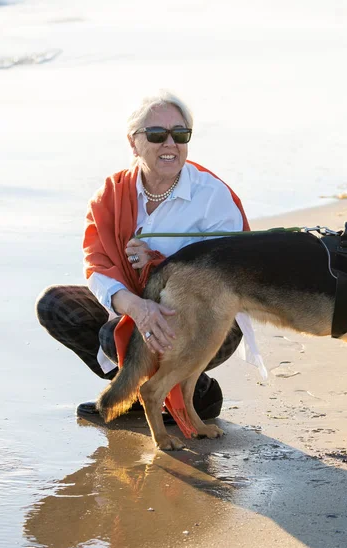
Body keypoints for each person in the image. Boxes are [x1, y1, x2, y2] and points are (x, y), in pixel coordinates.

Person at [36, 90, 250, 423]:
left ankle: (193, 396)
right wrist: (137, 307)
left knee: (118, 335)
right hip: (137, 309)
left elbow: (228, 277)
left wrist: (158, 265)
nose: (170, 143)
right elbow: (97, 265)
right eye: (156, 134)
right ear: (133, 143)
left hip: (208, 321)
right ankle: (141, 395)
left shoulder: (212, 196)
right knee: (55, 305)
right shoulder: (112, 194)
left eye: (180, 134)